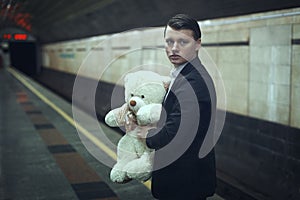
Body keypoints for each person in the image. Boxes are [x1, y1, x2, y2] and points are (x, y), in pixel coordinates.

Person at [144, 14, 217, 200]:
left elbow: (174, 133)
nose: (174, 49)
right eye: (169, 42)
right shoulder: (184, 75)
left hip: (184, 184)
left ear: (197, 44)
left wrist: (143, 135)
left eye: (182, 42)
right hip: (183, 180)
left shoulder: (193, 82)